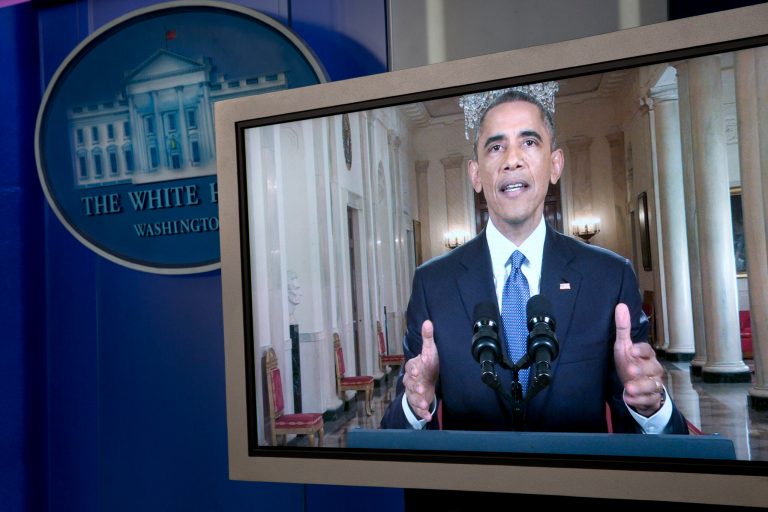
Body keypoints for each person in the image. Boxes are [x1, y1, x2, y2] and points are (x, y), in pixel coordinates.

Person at [380, 86, 689, 434]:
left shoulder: (608, 278)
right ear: (476, 175)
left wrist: (653, 407)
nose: (512, 159)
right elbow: (394, 434)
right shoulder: (432, 284)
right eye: (496, 147)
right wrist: (413, 403)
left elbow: (656, 441)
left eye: (529, 142)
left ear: (555, 165)